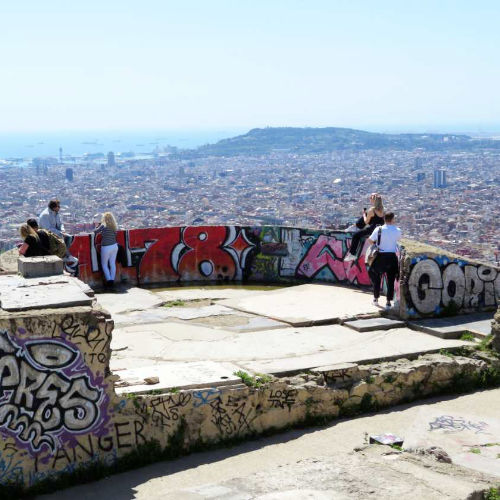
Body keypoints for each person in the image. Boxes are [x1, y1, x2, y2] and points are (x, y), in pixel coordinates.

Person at [367, 212, 401, 310]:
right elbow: (398, 240)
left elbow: (370, 240)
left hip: (381, 256)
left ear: (384, 219)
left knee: (376, 276)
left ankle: (376, 299)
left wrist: (376, 242)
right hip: (392, 257)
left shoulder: (379, 229)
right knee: (390, 280)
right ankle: (388, 302)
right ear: (393, 219)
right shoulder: (397, 230)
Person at [344, 194, 385, 262]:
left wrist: (363, 214)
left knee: (356, 235)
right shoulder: (383, 210)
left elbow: (366, 222)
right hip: (380, 230)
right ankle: (356, 226)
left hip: (372, 230)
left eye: (371, 198)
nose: (370, 199)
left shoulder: (372, 210)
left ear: (374, 201)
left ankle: (352, 254)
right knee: (367, 214)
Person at [94, 212, 119, 288]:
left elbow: (95, 232)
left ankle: (109, 280)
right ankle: (112, 279)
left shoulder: (103, 226)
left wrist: (97, 226)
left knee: (104, 264)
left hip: (106, 247)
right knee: (112, 263)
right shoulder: (114, 226)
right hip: (114, 246)